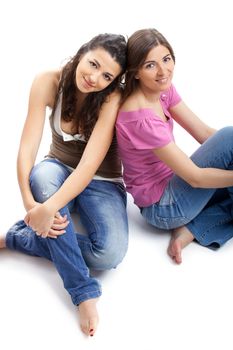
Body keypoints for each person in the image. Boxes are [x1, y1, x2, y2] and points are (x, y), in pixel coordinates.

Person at [0, 33, 128, 336]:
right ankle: (83, 291)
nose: (95, 77)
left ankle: (18, 237)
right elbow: (28, 147)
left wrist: (49, 210)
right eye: (93, 64)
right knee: (42, 177)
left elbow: (87, 167)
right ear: (81, 53)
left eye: (107, 75)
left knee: (109, 255)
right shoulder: (47, 81)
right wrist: (31, 204)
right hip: (56, 168)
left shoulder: (111, 98)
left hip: (101, 180)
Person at [116, 28, 233, 265]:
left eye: (166, 59)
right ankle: (190, 226)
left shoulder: (162, 90)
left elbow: (205, 134)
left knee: (227, 143)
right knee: (230, 136)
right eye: (150, 65)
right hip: (163, 207)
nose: (163, 71)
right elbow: (196, 178)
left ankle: (190, 230)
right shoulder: (141, 118)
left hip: (177, 186)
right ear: (135, 72)